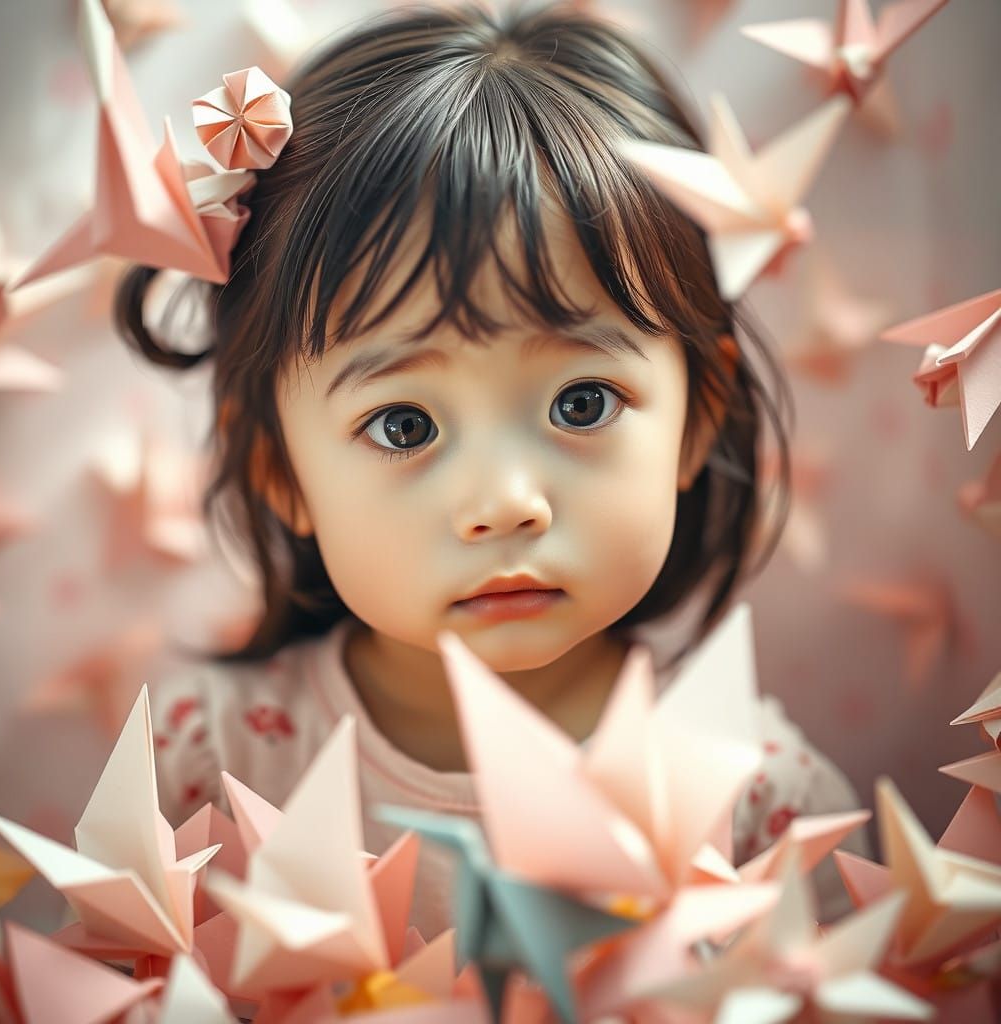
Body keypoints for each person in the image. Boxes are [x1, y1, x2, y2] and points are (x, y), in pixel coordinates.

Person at [116, 2, 869, 938]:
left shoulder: (762, 803)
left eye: (580, 404)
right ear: (279, 467)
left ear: (696, 417)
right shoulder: (205, 766)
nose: (504, 505)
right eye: (402, 424)